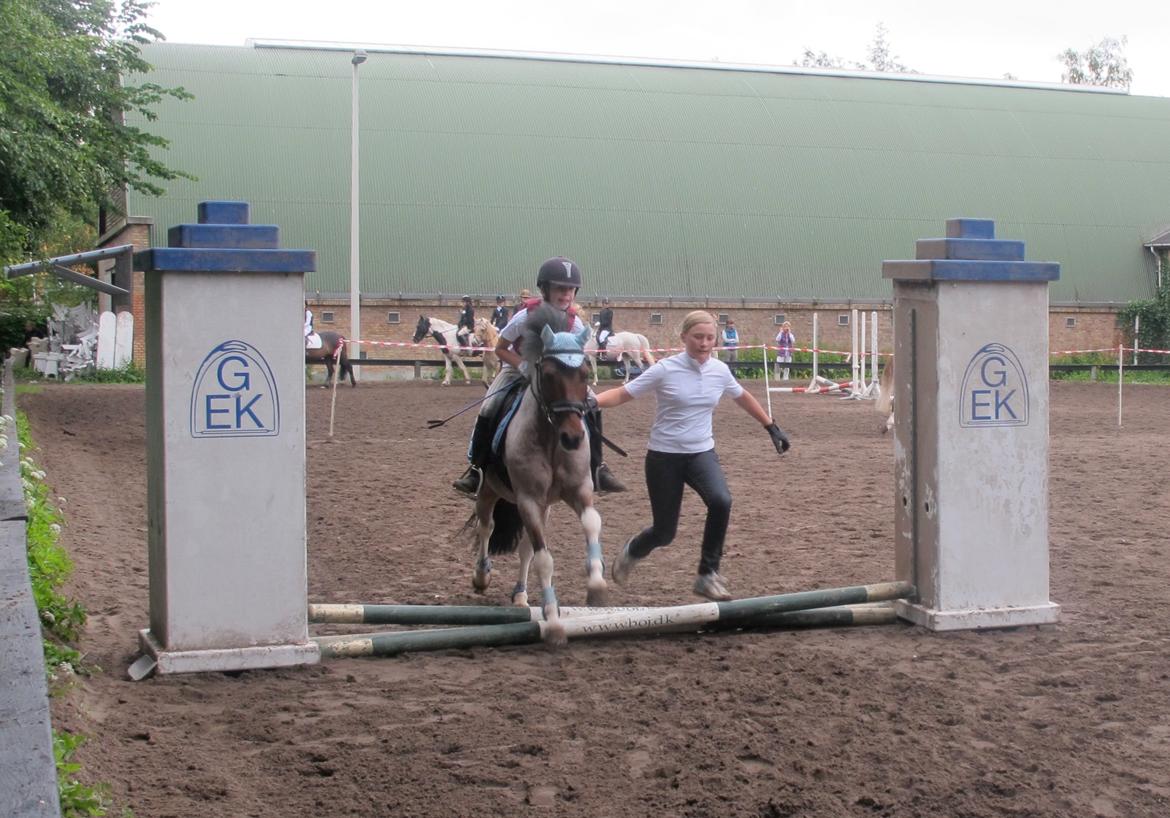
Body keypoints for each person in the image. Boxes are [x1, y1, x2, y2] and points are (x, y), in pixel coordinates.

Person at [595, 310, 790, 601]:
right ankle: (633, 550)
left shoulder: (720, 371)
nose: (704, 343)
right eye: (698, 337)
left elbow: (743, 397)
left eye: (710, 338)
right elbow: (624, 394)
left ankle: (707, 575)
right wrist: (589, 402)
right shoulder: (665, 369)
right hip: (664, 457)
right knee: (665, 532)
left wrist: (770, 426)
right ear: (684, 337)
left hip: (701, 452)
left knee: (721, 500)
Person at [452, 257, 627, 496]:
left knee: (593, 404)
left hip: (557, 377)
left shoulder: (575, 325)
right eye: (560, 288)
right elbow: (501, 348)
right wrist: (523, 365)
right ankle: (476, 469)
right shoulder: (524, 317)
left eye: (571, 289)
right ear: (545, 289)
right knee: (489, 406)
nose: (566, 294)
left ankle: (598, 468)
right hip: (517, 369)